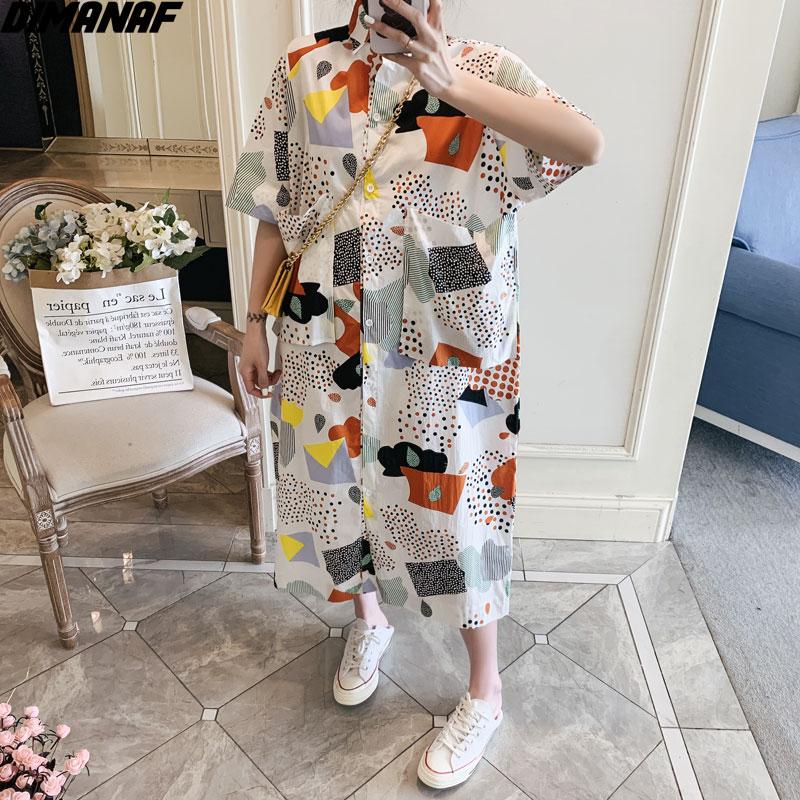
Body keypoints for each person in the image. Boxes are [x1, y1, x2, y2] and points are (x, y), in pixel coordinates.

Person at [226, 0, 603, 789]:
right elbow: (273, 206)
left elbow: (583, 144)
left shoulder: (485, 68)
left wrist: (451, 83)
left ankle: (484, 689)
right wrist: (254, 322)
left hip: (441, 345)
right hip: (324, 329)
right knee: (336, 489)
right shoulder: (304, 66)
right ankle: (367, 619)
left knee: (456, 517)